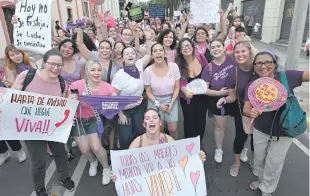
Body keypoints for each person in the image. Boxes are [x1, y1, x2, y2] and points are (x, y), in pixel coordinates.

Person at [243, 49, 309, 196]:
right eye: (259, 63)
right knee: (259, 159)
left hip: (284, 130)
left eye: (268, 62)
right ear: (254, 66)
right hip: (261, 129)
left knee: (274, 163)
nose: (263, 66)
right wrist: (250, 112)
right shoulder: (253, 85)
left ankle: (267, 189)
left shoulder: (286, 77)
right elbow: (246, 108)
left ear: (275, 63)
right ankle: (261, 180)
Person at [11, 49, 75, 196]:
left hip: (54, 127)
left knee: (60, 154)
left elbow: (65, 104)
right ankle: (39, 186)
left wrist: (69, 117)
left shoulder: (61, 82)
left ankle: (64, 177)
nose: (56, 68)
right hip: (32, 128)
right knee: (38, 160)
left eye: (59, 65)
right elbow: (12, 98)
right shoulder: (27, 76)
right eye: (52, 64)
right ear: (44, 63)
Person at [111, 108, 206, 181]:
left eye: (155, 118)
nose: (151, 120)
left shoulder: (168, 140)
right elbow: (127, 167)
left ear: (160, 123)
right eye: (147, 119)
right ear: (144, 124)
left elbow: (181, 159)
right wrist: (118, 176)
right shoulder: (137, 143)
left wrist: (197, 159)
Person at [69, 60, 115, 185]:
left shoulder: (107, 87)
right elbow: (70, 102)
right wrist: (72, 102)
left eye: (99, 70)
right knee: (84, 149)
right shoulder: (77, 85)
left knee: (96, 146)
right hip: (78, 120)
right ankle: (93, 162)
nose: (96, 73)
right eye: (93, 70)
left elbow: (116, 101)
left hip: (94, 119)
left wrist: (132, 102)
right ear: (87, 71)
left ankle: (106, 168)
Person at [216, 40, 255, 177]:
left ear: (250, 51)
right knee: (241, 135)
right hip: (243, 109)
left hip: (263, 110)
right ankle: (236, 163)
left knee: (257, 139)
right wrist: (224, 99)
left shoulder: (259, 68)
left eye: (243, 51)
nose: (240, 54)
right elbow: (232, 95)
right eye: (237, 52)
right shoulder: (234, 72)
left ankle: (256, 162)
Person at [111, 45, 151, 149]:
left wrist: (147, 37)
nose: (130, 55)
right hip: (123, 110)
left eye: (132, 53)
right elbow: (113, 97)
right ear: (122, 57)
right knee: (125, 138)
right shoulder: (119, 75)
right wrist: (120, 114)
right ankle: (124, 157)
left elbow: (149, 54)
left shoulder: (139, 65)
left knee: (140, 132)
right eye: (127, 54)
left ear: (136, 56)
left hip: (138, 108)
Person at [204, 38, 237, 164]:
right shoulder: (209, 68)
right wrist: (219, 93)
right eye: (213, 47)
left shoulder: (233, 59)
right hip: (217, 101)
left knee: (242, 126)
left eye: (218, 46)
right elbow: (205, 89)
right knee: (220, 126)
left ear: (224, 47)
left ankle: (243, 149)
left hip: (236, 97)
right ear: (210, 51)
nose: (216, 49)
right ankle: (219, 149)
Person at [144, 43, 181, 139]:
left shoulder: (174, 67)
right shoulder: (147, 71)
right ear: (152, 55)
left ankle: (173, 145)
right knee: (158, 129)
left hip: (171, 99)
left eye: (160, 50)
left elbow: (177, 87)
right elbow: (148, 92)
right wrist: (158, 104)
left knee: (172, 128)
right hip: (154, 101)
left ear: (164, 53)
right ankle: (161, 149)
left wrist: (172, 103)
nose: (158, 53)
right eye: (155, 51)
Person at [176, 38, 209, 145]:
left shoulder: (200, 57)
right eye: (183, 46)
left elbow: (208, 70)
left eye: (188, 45)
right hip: (187, 97)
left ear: (193, 46)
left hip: (202, 96)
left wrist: (207, 85)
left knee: (201, 120)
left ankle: (199, 143)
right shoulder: (178, 64)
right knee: (189, 122)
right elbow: (179, 81)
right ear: (180, 51)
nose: (186, 48)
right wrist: (185, 91)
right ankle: (189, 145)